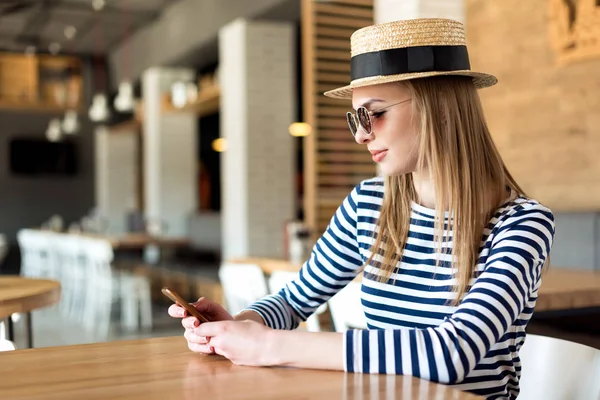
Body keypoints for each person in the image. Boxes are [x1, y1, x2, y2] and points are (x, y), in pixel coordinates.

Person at [168, 18, 555, 400]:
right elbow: (292, 300)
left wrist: (268, 345)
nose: (361, 135)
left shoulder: (522, 225)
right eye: (356, 118)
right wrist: (238, 325)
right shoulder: (367, 205)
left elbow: (451, 354)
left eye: (376, 113)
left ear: (439, 108)